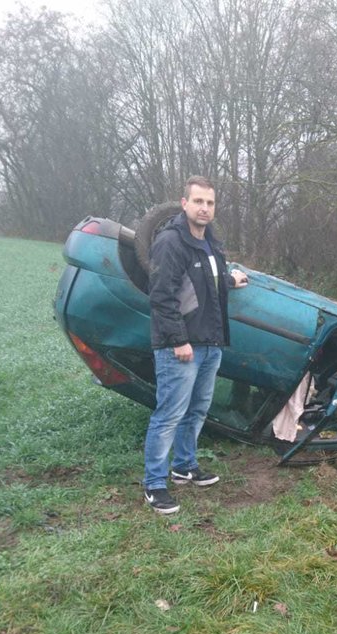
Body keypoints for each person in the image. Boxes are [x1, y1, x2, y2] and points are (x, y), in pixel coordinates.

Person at [143, 176, 249, 514]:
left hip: (211, 342)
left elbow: (205, 283)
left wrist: (229, 280)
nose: (204, 208)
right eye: (198, 201)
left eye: (210, 203)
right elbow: (161, 297)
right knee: (169, 414)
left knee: (197, 410)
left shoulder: (210, 243)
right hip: (181, 347)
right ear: (184, 203)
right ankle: (154, 484)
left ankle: (184, 466)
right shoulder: (170, 242)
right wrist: (179, 340)